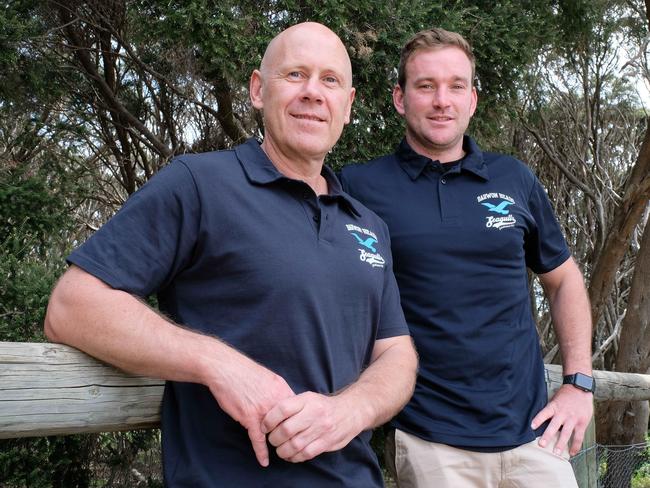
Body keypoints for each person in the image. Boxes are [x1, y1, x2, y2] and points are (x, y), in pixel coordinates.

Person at [45, 22, 417, 487]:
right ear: (258, 90)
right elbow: (72, 306)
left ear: (348, 106)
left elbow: (397, 354)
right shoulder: (199, 184)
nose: (312, 93)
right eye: (295, 74)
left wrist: (350, 409)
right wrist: (219, 364)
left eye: (329, 80)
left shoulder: (367, 225)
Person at [340, 28, 593, 488]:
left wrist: (579, 383)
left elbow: (564, 280)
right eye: (426, 86)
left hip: (535, 437)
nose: (442, 100)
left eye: (456, 86)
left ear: (472, 100)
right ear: (400, 98)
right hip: (430, 441)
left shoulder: (513, 178)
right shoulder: (359, 187)